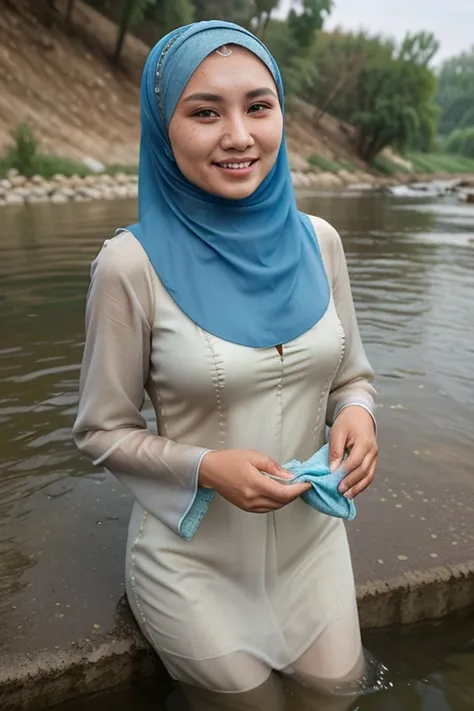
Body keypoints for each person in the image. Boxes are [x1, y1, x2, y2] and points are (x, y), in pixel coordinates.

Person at [73, 20, 378, 710]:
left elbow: (351, 374)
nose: (239, 135)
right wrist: (207, 467)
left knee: (339, 693)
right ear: (163, 125)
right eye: (205, 111)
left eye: (258, 106)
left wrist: (358, 414)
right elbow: (100, 430)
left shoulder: (320, 243)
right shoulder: (129, 266)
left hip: (313, 547)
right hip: (193, 561)